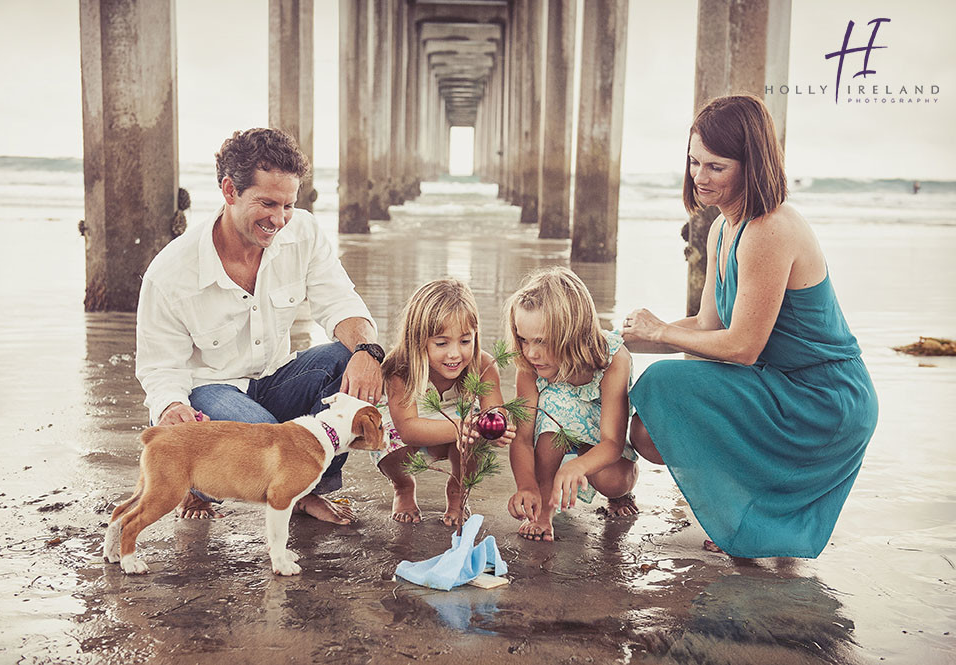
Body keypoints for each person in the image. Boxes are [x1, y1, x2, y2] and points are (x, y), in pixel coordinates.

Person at [623, 95, 878, 558]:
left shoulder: (769, 229)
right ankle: (749, 511)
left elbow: (741, 346)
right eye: (694, 162)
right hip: (779, 386)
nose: (699, 177)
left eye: (716, 167)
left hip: (824, 400)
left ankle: (747, 515)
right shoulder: (722, 227)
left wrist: (659, 332)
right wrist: (620, 343)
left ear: (751, 165)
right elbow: (706, 325)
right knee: (647, 427)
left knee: (663, 385)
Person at [135, 127, 384, 523]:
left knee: (344, 358)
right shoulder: (170, 273)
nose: (280, 219)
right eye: (267, 203)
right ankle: (199, 485)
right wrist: (172, 407)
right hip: (209, 395)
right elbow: (160, 368)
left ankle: (308, 489)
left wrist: (368, 352)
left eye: (288, 205)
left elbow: (340, 303)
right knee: (266, 437)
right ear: (230, 190)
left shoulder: (303, 232)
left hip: (275, 377)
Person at [506, 267, 639, 542]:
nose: (531, 352)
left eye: (541, 341)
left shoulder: (613, 359)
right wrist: (527, 486)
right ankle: (544, 508)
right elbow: (522, 439)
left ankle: (621, 494)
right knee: (552, 417)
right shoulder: (529, 365)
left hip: (602, 442)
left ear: (573, 333)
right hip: (554, 436)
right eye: (523, 339)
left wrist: (577, 467)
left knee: (612, 483)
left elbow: (612, 442)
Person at [372, 278, 516, 525]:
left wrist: (497, 426)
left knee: (478, 433)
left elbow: (495, 408)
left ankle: (457, 490)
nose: (454, 353)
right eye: (441, 343)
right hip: (410, 431)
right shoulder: (400, 368)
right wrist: (461, 426)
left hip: (460, 428)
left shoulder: (482, 366)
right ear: (418, 339)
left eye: (465, 341)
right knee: (386, 441)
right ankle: (403, 486)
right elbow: (407, 429)